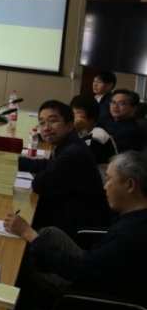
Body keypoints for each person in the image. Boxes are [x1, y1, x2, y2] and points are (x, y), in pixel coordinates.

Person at [4, 151, 147, 310]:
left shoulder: (132, 237)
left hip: (87, 292)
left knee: (19, 275)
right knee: (49, 233)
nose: (104, 186)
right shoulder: (135, 216)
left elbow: (74, 269)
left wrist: (28, 233)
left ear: (130, 185)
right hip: (95, 265)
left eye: (108, 179)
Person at [18, 100, 111, 237]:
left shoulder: (73, 152)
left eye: (52, 121)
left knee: (22, 213)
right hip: (69, 210)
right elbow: (47, 165)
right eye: (42, 123)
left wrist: (41, 173)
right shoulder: (69, 144)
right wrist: (13, 160)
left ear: (69, 125)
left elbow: (39, 184)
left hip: (79, 222)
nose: (46, 128)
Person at [69, 94, 116, 164]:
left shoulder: (99, 134)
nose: (74, 118)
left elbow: (82, 159)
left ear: (91, 117)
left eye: (78, 113)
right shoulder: (80, 132)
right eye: (73, 114)